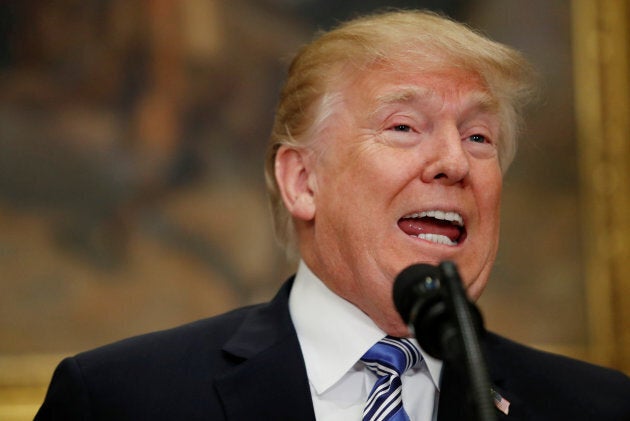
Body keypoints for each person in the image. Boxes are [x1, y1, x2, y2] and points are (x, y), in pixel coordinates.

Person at [35, 9, 630, 421]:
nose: (454, 161)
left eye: (479, 137)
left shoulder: (598, 407)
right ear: (302, 181)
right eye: (404, 127)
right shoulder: (121, 401)